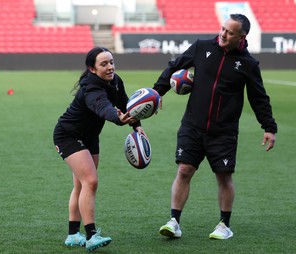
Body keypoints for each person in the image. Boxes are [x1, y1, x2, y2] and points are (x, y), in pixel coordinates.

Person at [153, 14, 277, 240]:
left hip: (224, 131)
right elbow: (175, 66)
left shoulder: (248, 64)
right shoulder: (202, 47)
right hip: (192, 125)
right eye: (222, 29)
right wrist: (156, 93)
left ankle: (224, 225)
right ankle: (174, 221)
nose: (223, 34)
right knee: (184, 170)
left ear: (242, 36)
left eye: (230, 32)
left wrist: (269, 127)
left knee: (223, 176)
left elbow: (259, 97)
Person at [53, 47, 145, 251]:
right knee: (91, 181)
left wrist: (136, 125)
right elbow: (103, 107)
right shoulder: (91, 89)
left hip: (90, 137)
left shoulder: (115, 81)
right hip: (68, 135)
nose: (110, 66)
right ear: (92, 69)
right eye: (104, 64)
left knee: (81, 185)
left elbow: (125, 103)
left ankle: (72, 235)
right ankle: (91, 235)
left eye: (111, 62)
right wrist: (116, 118)